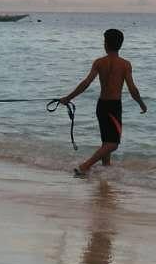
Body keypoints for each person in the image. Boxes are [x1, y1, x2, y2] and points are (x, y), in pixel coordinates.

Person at [60, 27, 147, 177]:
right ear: (120, 44)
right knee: (113, 143)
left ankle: (106, 170)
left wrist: (68, 97)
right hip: (114, 107)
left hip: (101, 106)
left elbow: (85, 83)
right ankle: (85, 166)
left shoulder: (99, 62)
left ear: (106, 44)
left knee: (107, 140)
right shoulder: (125, 64)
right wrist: (141, 104)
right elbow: (132, 89)